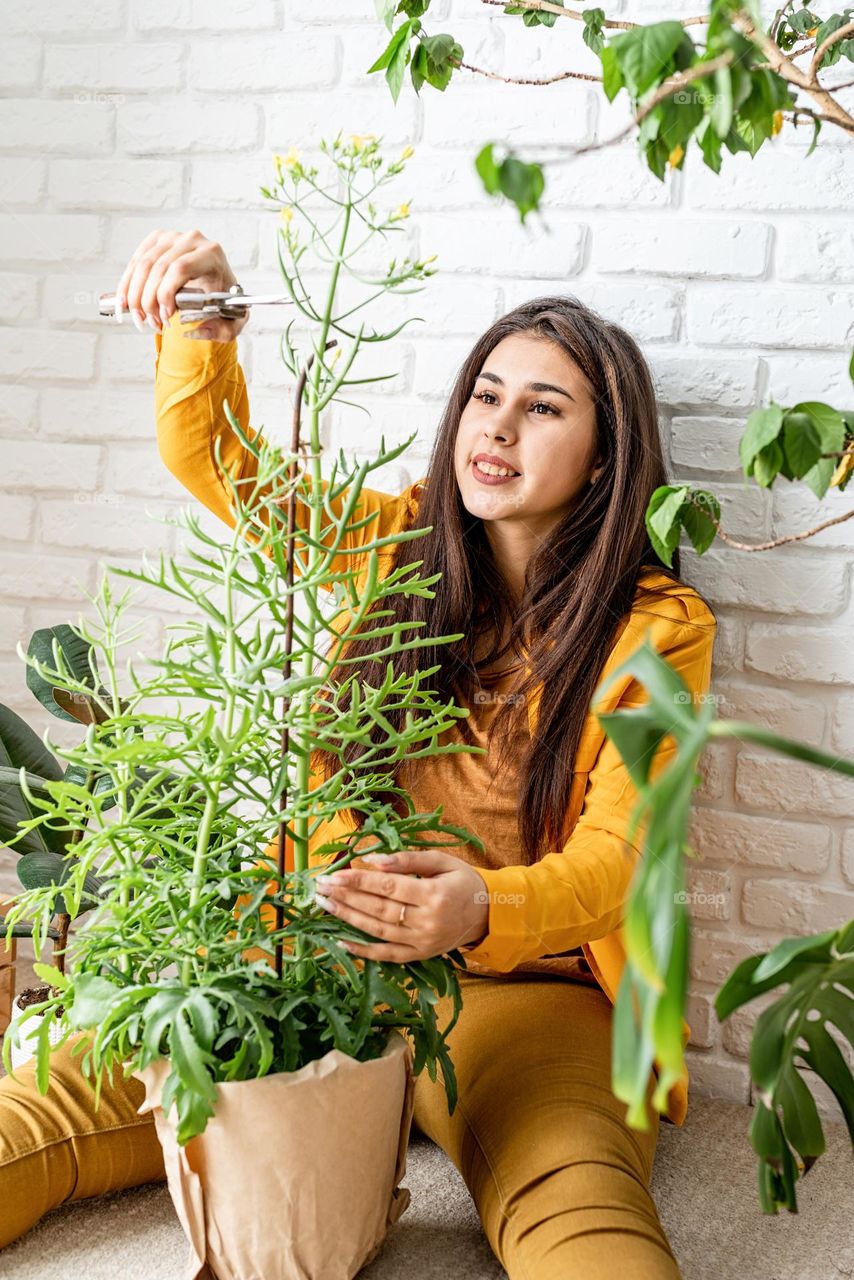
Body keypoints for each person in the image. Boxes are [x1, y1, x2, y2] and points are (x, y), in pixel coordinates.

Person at [0, 230, 716, 1278]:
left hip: (531, 989)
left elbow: (622, 858)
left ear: (604, 456)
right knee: (46, 1100)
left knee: (578, 1211)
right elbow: (221, 462)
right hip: (314, 952)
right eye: (485, 393)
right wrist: (205, 317)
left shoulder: (656, 624)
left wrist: (480, 905)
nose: (498, 425)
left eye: (543, 407)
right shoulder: (395, 546)